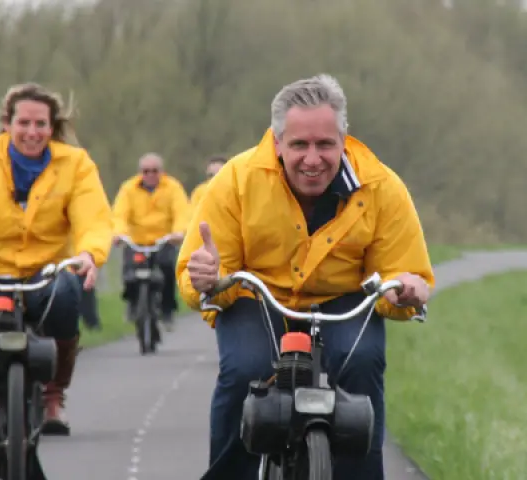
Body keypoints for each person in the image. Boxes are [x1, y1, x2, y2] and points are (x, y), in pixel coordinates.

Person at [176, 74, 435, 480]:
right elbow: (201, 274)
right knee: (246, 370)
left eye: (325, 144)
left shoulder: (382, 187)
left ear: (343, 140)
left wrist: (408, 289)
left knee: (362, 363)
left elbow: (405, 272)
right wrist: (206, 279)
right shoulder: (236, 179)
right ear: (278, 142)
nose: (312, 159)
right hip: (255, 297)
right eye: (299, 145)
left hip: (342, 299)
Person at [0, 82, 114, 480]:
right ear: (7, 123)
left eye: (40, 124)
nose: (32, 132)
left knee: (68, 293)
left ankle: (53, 392)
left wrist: (89, 254)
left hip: (45, 272)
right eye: (24, 123)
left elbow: (94, 218)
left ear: (52, 127)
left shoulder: (76, 164)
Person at [111, 152, 190, 331]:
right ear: (140, 172)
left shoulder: (173, 188)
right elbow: (120, 214)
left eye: (155, 171)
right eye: (146, 171)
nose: (150, 175)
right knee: (129, 273)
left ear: (162, 171)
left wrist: (178, 232)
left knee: (167, 269)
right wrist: (119, 234)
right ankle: (132, 303)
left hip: (163, 241)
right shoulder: (128, 189)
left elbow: (181, 212)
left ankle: (167, 310)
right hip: (136, 241)